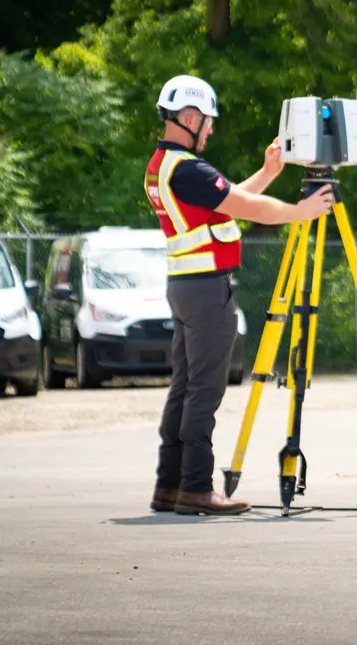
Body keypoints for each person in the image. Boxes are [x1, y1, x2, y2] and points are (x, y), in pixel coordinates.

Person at [144, 74, 336, 516]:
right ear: (189, 118)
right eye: (207, 121)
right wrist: (300, 212)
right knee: (203, 393)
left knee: (185, 389)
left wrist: (269, 173)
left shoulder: (165, 164)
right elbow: (244, 207)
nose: (210, 129)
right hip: (206, 291)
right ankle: (195, 488)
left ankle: (170, 487)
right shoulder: (188, 168)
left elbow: (228, 200)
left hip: (187, 286)